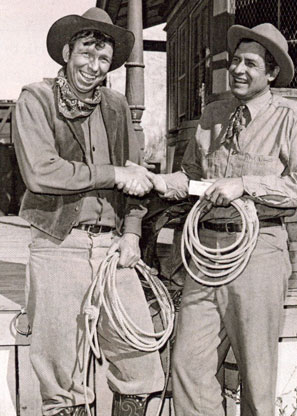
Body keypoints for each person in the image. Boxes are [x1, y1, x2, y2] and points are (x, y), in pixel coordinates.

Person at [151, 23, 297, 415]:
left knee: (256, 376)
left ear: (271, 73)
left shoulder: (291, 117)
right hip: (206, 254)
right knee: (188, 366)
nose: (239, 70)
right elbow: (193, 176)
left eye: (250, 63)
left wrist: (243, 184)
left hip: (258, 251)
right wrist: (158, 181)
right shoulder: (214, 114)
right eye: (235, 62)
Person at [14, 7, 164, 416]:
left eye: (102, 59)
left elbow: (136, 180)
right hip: (58, 244)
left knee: (140, 360)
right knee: (62, 373)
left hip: (114, 249)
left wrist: (132, 232)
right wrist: (112, 173)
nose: (93, 66)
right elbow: (41, 172)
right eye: (86, 53)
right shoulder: (36, 99)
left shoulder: (116, 106)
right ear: (67, 52)